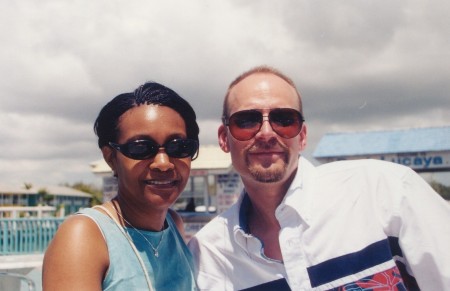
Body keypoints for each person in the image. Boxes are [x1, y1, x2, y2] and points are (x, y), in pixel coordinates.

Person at [188, 65, 450, 290]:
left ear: (302, 136)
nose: (266, 133)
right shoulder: (211, 254)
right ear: (224, 138)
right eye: (246, 121)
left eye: (283, 119)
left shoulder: (385, 191)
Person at [43, 82, 199, 290]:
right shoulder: (85, 236)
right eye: (141, 148)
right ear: (111, 158)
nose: (163, 163)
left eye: (178, 147)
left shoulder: (173, 224)